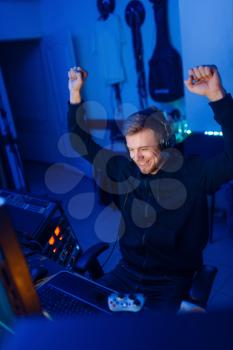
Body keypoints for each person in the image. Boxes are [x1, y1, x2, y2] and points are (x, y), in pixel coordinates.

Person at [67, 65, 233, 312]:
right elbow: (82, 144)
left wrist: (217, 96)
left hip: (171, 281)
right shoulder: (125, 169)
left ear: (165, 143)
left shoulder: (195, 173)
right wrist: (75, 94)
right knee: (84, 314)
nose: (137, 158)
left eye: (144, 149)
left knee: (153, 339)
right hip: (126, 272)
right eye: (131, 150)